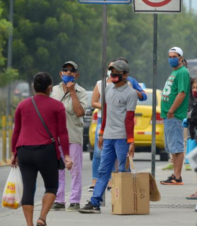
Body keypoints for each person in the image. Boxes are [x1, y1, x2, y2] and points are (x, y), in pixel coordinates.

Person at [10, 72, 73, 226]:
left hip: (24, 151)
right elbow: (62, 133)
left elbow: (16, 130)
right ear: (50, 88)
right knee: (51, 186)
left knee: (28, 188)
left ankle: (29, 224)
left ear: (33, 86)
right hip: (46, 151)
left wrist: (14, 152)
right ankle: (42, 218)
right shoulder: (57, 106)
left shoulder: (22, 105)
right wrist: (66, 155)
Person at [78, 60, 137, 213]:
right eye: (112, 71)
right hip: (108, 136)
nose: (114, 74)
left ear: (125, 75)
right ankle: (95, 202)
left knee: (124, 171)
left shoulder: (130, 93)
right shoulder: (108, 89)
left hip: (122, 138)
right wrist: (102, 133)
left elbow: (130, 118)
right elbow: (105, 114)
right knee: (103, 171)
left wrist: (131, 141)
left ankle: (127, 202)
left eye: (117, 72)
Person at [50, 61, 87, 212]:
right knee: (57, 169)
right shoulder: (53, 90)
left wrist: (72, 92)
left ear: (76, 75)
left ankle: (74, 201)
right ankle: (58, 200)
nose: (69, 73)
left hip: (73, 135)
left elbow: (79, 112)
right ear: (61, 73)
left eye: (72, 71)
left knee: (75, 169)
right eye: (66, 70)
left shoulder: (81, 92)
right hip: (55, 136)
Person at [160, 47, 191, 185]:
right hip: (169, 115)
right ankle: (174, 175)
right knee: (172, 147)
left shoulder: (182, 72)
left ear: (180, 58)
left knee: (177, 147)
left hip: (175, 115)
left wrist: (171, 110)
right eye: (169, 56)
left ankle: (177, 177)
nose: (171, 58)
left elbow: (182, 93)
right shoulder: (175, 72)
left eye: (174, 56)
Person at [89, 60, 115, 192]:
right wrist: (106, 107)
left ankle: (111, 181)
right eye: (110, 68)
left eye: (114, 68)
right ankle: (95, 180)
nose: (112, 70)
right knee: (98, 152)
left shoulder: (121, 84)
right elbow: (93, 102)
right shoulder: (100, 84)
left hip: (116, 121)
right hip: (102, 119)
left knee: (114, 152)